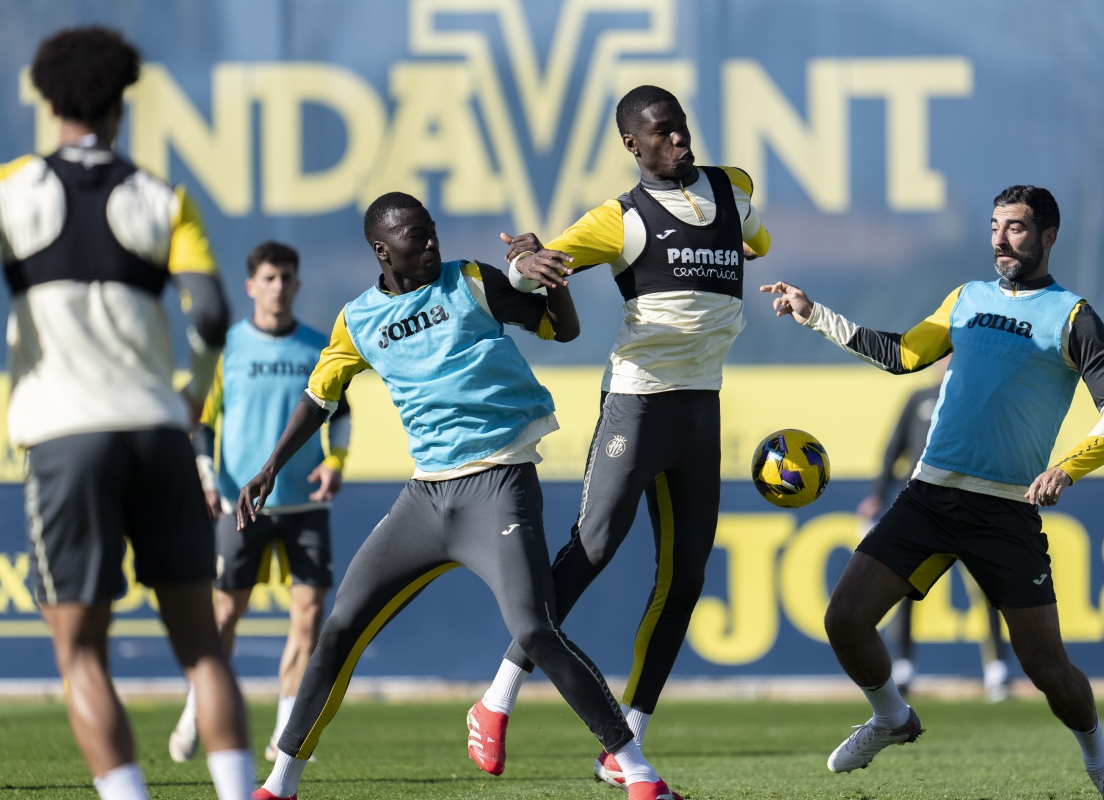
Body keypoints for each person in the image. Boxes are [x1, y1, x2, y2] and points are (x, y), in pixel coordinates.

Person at [245, 192, 682, 800]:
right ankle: (280, 784)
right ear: (382, 249)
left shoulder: (472, 281)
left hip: (498, 484)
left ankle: (638, 772)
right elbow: (319, 398)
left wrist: (547, 272)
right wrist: (270, 466)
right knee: (340, 628)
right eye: (415, 237)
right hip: (425, 499)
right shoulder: (358, 320)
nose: (431, 243)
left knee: (534, 629)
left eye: (432, 231)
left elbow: (564, 329)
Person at [762, 186, 1104, 800]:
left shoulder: (1073, 315)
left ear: (1048, 237)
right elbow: (904, 354)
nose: (999, 239)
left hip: (1006, 511)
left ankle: (1101, 759)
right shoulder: (966, 298)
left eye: (1016, 228)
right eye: (994, 226)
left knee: (1048, 670)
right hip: (930, 496)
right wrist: (814, 313)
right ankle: (891, 716)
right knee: (845, 620)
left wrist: (1067, 468)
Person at [470, 84, 771, 787]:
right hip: (638, 405)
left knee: (687, 576)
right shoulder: (620, 218)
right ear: (633, 145)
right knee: (596, 546)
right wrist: (526, 263)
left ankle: (625, 740)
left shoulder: (734, 191)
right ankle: (495, 699)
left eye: (684, 128)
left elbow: (755, 236)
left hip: (703, 405)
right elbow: (537, 262)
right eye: (663, 134)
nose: (681, 141)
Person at [0, 27, 254, 800]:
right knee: (202, 648)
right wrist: (194, 387)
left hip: (62, 434)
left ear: (47, 104)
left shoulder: (10, 189)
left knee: (82, 655)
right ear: (120, 106)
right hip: (156, 430)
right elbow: (210, 314)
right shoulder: (163, 198)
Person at [169, 242, 352, 763]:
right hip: (240, 504)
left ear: (296, 284)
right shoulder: (227, 349)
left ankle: (284, 734)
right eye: (268, 278)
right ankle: (194, 709)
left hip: (304, 505)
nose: (278, 286)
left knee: (309, 615)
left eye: (286, 277)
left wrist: (335, 461)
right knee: (223, 617)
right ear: (251, 286)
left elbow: (338, 414)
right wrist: (207, 476)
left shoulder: (320, 347)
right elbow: (200, 421)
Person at [856, 356, 1011, 702]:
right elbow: (893, 450)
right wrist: (876, 495)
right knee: (905, 587)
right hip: (921, 509)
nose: (949, 361)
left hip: (971, 509)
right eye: (944, 355)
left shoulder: (979, 397)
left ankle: (997, 670)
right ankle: (904, 667)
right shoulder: (919, 398)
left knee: (988, 591)